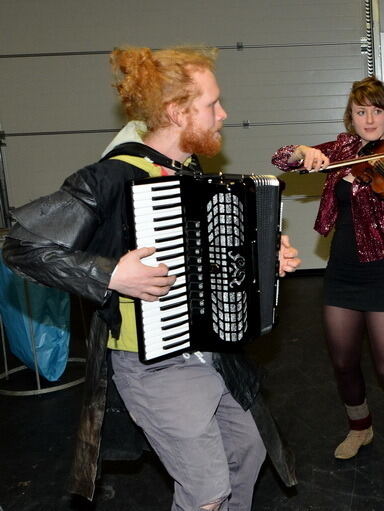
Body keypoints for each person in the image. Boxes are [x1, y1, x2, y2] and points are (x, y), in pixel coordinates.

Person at [2, 46, 302, 510]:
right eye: (211, 105)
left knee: (248, 448)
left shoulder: (190, 170)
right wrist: (110, 272)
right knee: (206, 492)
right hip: (152, 364)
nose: (224, 113)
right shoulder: (110, 176)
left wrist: (264, 259)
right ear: (176, 112)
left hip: (210, 351)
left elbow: (211, 255)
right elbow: (20, 247)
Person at [270, 76, 384, 479]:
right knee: (343, 361)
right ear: (351, 116)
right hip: (341, 270)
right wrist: (303, 152)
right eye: (362, 111)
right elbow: (281, 159)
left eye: (377, 110)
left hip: (382, 273)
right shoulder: (340, 148)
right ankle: (360, 427)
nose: (369, 119)